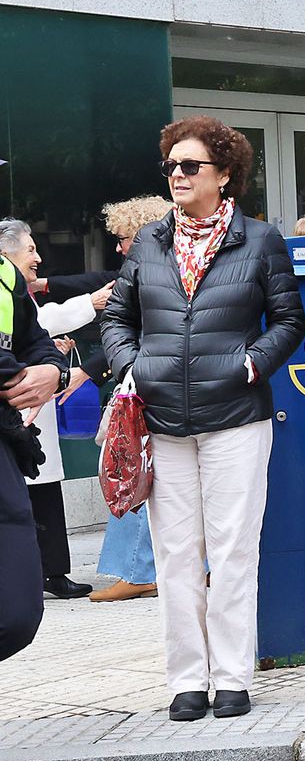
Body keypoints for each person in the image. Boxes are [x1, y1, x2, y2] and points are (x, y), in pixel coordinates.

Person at [101, 116, 305, 721]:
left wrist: (252, 364)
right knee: (175, 555)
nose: (178, 176)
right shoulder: (150, 243)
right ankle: (188, 678)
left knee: (233, 550)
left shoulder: (259, 239)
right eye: (171, 166)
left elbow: (289, 321)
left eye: (190, 166)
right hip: (162, 419)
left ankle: (233, 675)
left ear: (224, 176)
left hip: (237, 417)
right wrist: (130, 365)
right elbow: (117, 317)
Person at [0, 220, 106, 600]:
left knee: (45, 494)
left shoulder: (16, 289)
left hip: (31, 411)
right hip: (13, 412)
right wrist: (88, 304)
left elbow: (34, 336)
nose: (38, 257)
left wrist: (48, 361)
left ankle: (53, 571)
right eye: (30, 250)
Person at [87, 196, 174, 602]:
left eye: (122, 238)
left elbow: (127, 328)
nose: (118, 247)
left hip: (146, 387)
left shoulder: (144, 273)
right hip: (168, 385)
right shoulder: (171, 267)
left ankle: (138, 570)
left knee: (132, 471)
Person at [0, 209, 64, 662]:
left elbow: (36, 341)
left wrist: (50, 371)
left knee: (18, 612)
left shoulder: (6, 275)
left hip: (3, 449)